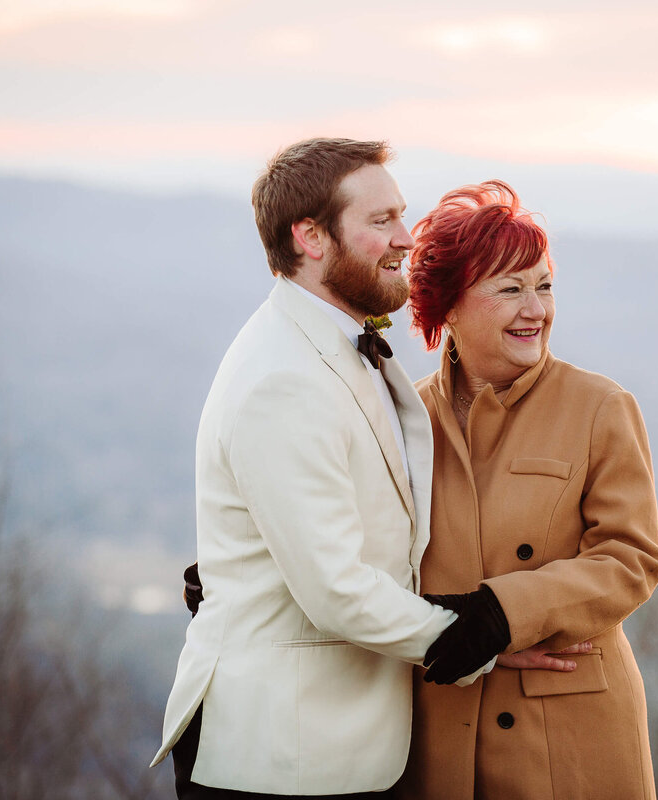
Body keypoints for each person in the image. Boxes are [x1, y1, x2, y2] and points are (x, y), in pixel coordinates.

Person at [150, 139, 508, 799]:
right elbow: (334, 589)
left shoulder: (338, 344)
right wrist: (476, 639)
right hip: (284, 758)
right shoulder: (283, 377)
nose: (407, 237)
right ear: (311, 238)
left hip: (340, 746)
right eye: (381, 221)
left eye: (401, 215)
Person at [395, 180, 658, 799]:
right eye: (510, 289)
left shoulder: (600, 407)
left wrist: (502, 617)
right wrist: (451, 637)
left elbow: (632, 560)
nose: (536, 310)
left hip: (569, 739)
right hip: (441, 734)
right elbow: (363, 560)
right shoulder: (403, 417)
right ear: (450, 306)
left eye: (544, 286)